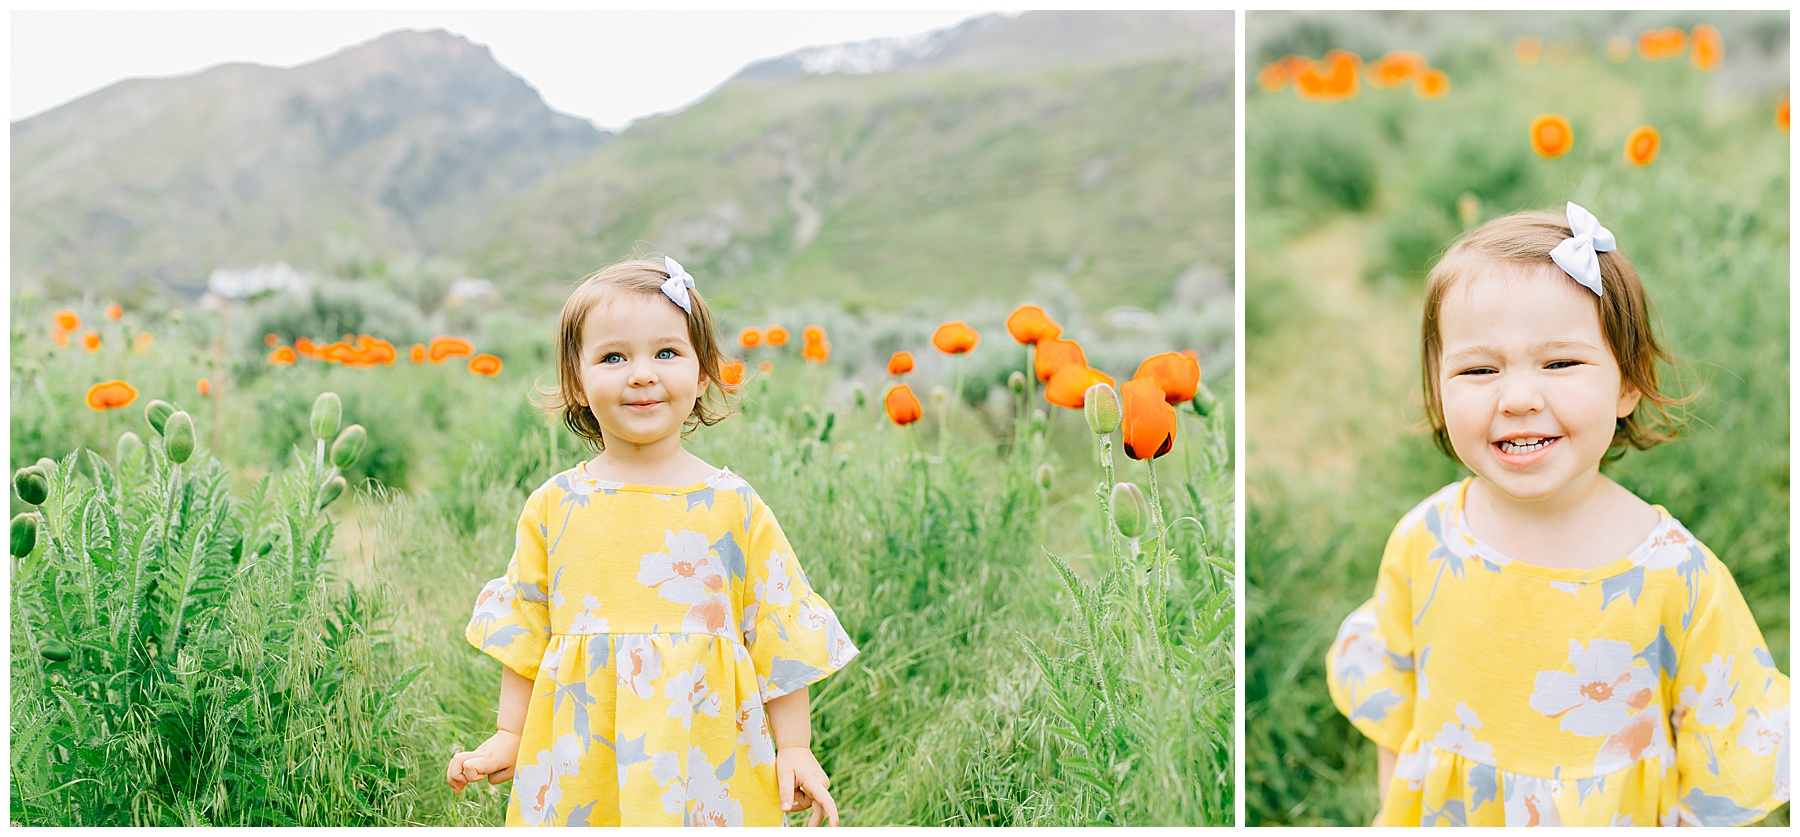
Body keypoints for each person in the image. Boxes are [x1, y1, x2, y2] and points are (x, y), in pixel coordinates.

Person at [1325, 204, 1789, 826]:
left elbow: (1725, 762)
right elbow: (1395, 717)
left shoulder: (1677, 577)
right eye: (1479, 370)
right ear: (1437, 391)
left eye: (1560, 363)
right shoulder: (1425, 540)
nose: (1518, 399)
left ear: (1627, 383)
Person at [445, 257, 859, 826]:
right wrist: (509, 735)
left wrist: (795, 748)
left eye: (667, 353)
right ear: (577, 383)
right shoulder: (555, 505)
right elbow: (527, 629)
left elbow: (777, 628)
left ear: (704, 370)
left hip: (708, 752)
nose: (642, 374)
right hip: (581, 754)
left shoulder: (732, 504)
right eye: (613, 357)